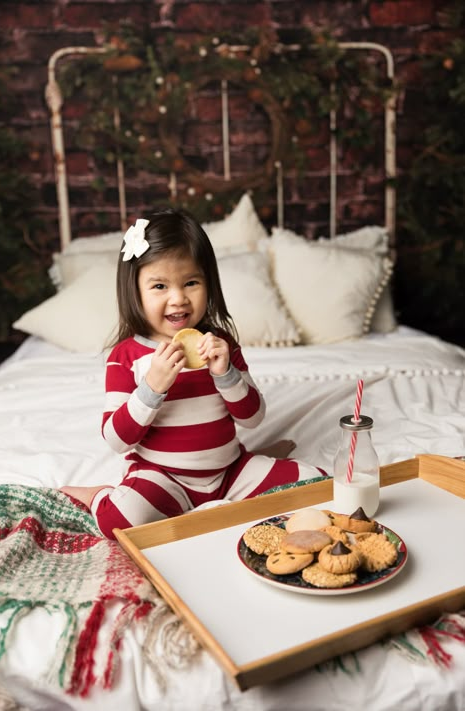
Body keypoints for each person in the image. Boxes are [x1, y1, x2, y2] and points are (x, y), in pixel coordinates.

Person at [61, 210, 327, 538]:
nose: (178, 298)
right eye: (159, 285)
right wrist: (152, 387)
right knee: (119, 522)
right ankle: (97, 494)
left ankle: (262, 458)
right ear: (135, 291)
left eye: (191, 282)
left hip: (230, 472)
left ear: (208, 282)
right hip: (162, 477)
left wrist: (225, 373)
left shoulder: (220, 345)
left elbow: (253, 418)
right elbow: (117, 440)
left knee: (317, 484)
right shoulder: (126, 357)